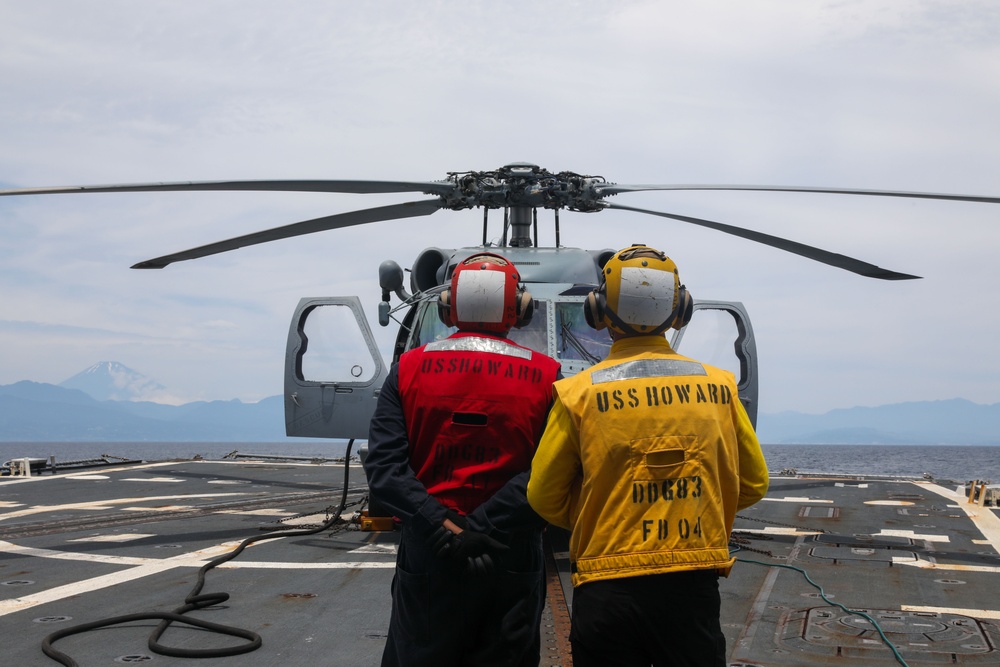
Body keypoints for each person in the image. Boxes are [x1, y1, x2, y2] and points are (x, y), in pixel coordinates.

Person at [527, 244, 769, 667]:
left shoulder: (576, 394)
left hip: (607, 586)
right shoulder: (719, 387)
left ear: (597, 310)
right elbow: (752, 484)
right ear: (681, 310)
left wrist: (600, 513)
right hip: (692, 584)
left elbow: (543, 495)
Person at [364, 252, 562, 667]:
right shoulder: (548, 376)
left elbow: (384, 470)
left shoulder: (408, 369)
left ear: (448, 306)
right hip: (508, 552)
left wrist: (443, 526)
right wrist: (482, 527)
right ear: (520, 308)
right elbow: (552, 470)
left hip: (431, 551)